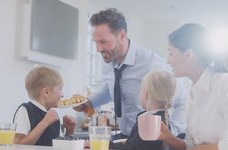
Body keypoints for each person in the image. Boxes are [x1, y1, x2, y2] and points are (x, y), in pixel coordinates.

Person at [75, 8, 188, 140]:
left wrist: (170, 133)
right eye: (95, 42)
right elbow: (113, 86)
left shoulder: (153, 65)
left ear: (122, 36)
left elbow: (183, 101)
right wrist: (90, 101)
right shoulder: (109, 61)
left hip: (151, 141)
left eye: (103, 42)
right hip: (126, 137)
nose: (98, 49)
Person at [158, 23, 228, 150]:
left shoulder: (227, 84)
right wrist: (169, 138)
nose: (168, 61)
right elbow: (193, 147)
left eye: (171, 53)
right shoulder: (193, 93)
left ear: (188, 54)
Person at [108, 70, 176, 150]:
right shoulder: (161, 117)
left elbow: (132, 148)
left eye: (141, 90)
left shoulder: (150, 122)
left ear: (146, 94)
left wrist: (107, 144)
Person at [13, 66, 76, 146]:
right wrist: (45, 122)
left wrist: (70, 131)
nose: (62, 95)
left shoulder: (54, 117)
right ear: (46, 92)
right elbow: (17, 145)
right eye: (60, 89)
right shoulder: (26, 110)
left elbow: (60, 146)